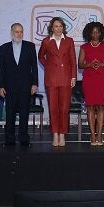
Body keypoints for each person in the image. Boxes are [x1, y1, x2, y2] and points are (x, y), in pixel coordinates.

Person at [0, 23, 38, 148]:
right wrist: (0, 86)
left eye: (21, 31)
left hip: (26, 87)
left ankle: (24, 139)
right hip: (9, 88)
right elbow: (1, 69)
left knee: (24, 114)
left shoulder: (30, 46)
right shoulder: (3, 48)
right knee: (10, 115)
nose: (19, 34)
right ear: (11, 33)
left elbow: (34, 67)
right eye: (16, 31)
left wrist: (35, 84)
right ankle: (9, 140)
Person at [38, 17, 77, 147]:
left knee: (64, 108)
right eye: (56, 26)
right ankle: (55, 134)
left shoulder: (69, 41)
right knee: (53, 108)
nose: (58, 28)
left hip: (66, 78)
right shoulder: (46, 41)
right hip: (51, 79)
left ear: (63, 27)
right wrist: (48, 65)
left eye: (60, 26)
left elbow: (73, 60)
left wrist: (73, 77)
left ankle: (62, 135)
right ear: (52, 28)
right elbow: (40, 56)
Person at [78, 22, 104, 146]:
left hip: (102, 79)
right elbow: (80, 64)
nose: (95, 34)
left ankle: (99, 135)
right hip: (89, 79)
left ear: (101, 33)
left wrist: (102, 64)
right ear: (88, 33)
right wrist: (89, 64)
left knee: (100, 107)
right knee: (90, 107)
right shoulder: (84, 47)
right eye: (93, 32)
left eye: (97, 32)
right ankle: (92, 135)